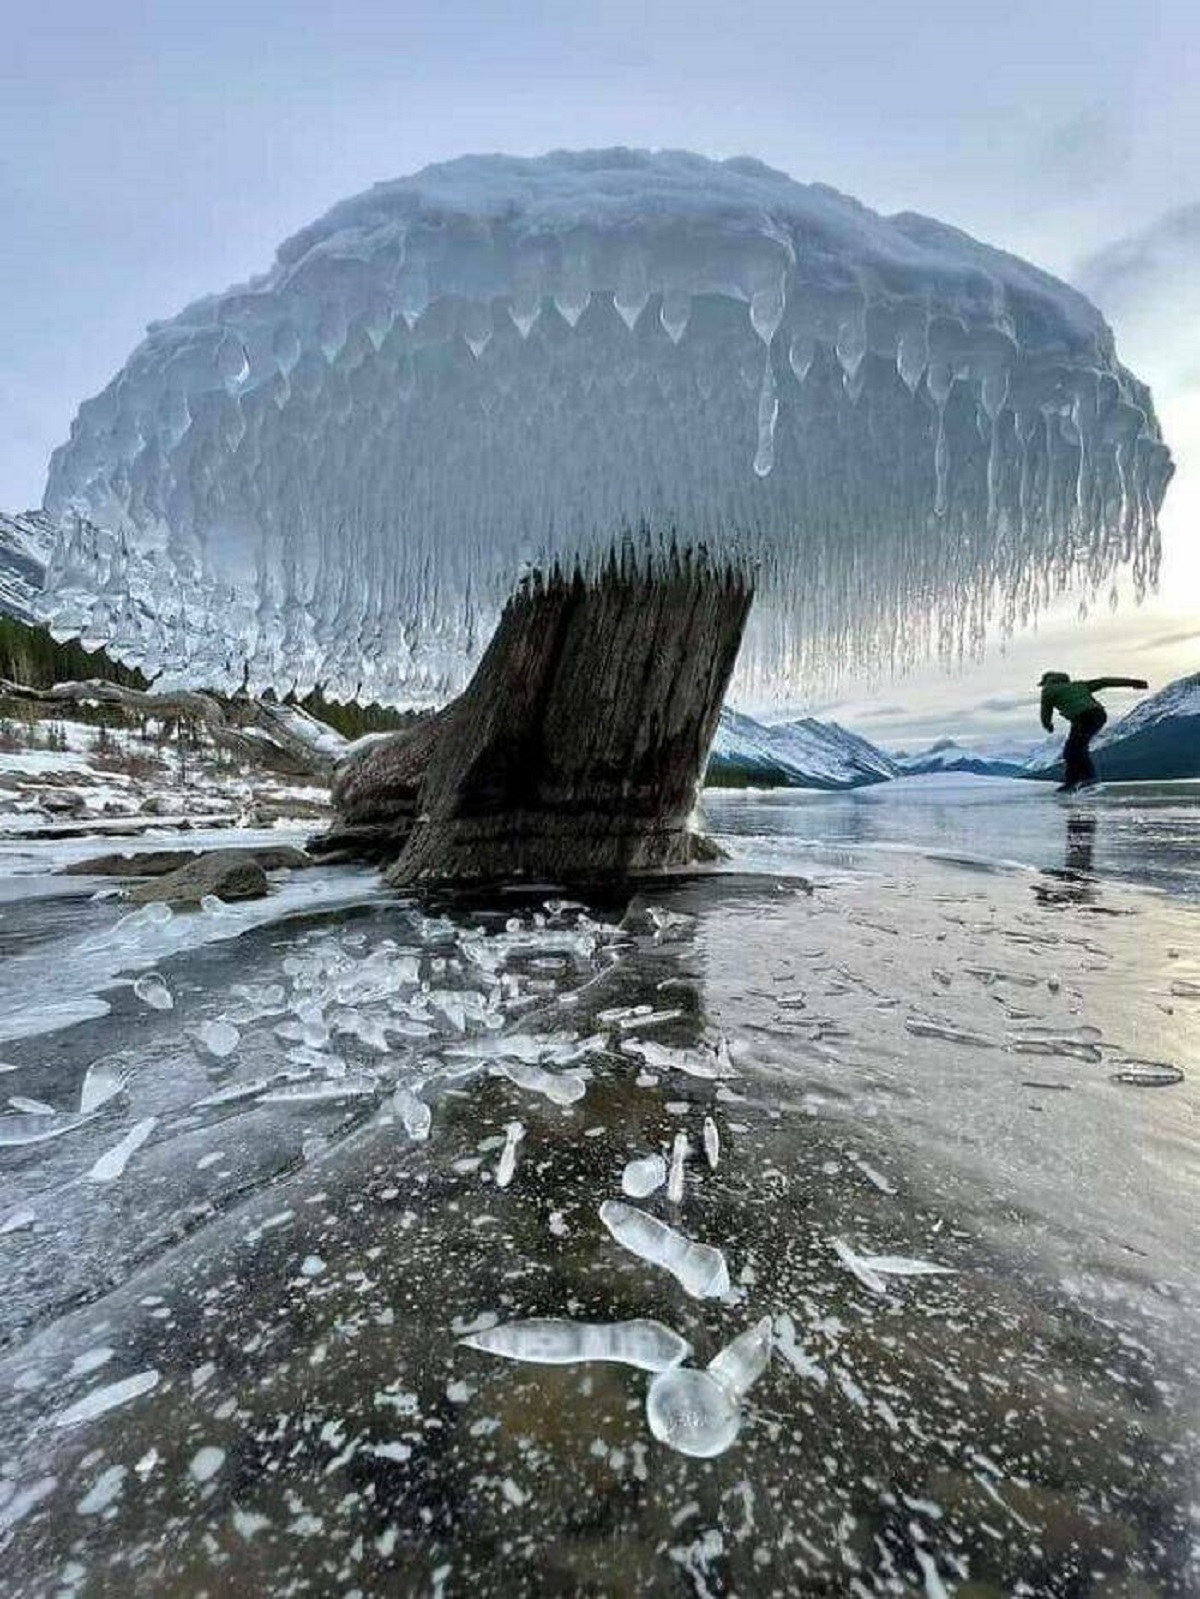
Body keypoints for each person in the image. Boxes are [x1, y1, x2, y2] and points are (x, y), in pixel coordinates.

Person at [1038, 671, 1148, 792]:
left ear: (1047, 682)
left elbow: (1045, 711)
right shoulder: (1079, 685)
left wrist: (1047, 724)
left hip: (1083, 717)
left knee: (1076, 748)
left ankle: (1087, 780)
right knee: (1072, 749)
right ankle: (1073, 782)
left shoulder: (1048, 690)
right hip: (1097, 714)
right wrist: (1133, 682)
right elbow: (1105, 681)